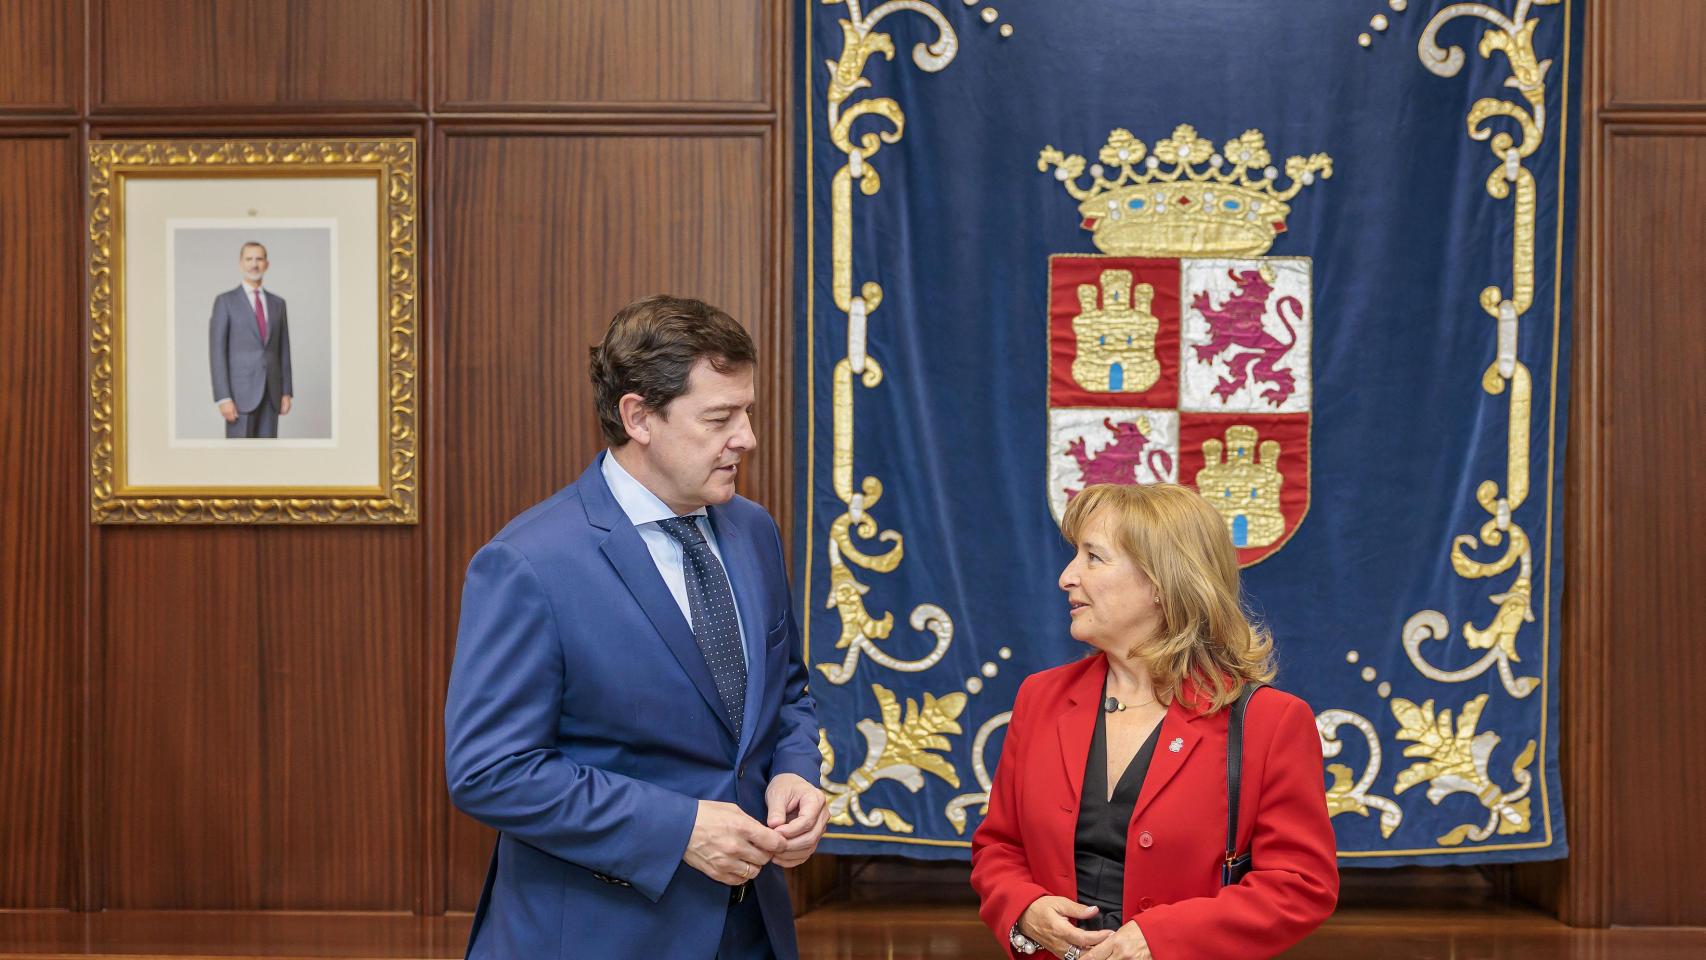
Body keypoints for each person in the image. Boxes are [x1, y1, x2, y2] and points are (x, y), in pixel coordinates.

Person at [445, 295, 828, 959]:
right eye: (720, 418)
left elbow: (787, 691)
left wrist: (794, 772)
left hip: (754, 932)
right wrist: (678, 829)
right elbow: (490, 770)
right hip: (600, 936)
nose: (747, 437)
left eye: (747, 412)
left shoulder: (754, 531)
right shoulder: (529, 563)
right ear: (638, 416)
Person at [970, 482, 1338, 960]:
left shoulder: (1271, 721)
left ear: (1162, 583)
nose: (1066, 577)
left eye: (1093, 557)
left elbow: (1300, 885)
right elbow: (998, 847)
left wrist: (1162, 939)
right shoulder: (1040, 698)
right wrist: (1024, 908)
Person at [209, 241, 292, 438]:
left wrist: (286, 391)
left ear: (266, 264)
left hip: (272, 394)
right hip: (239, 397)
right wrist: (223, 397)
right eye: (249, 259)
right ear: (241, 264)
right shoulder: (225, 302)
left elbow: (283, 350)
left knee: (267, 454)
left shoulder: (278, 304)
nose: (254, 264)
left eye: (259, 259)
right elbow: (217, 352)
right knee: (240, 454)